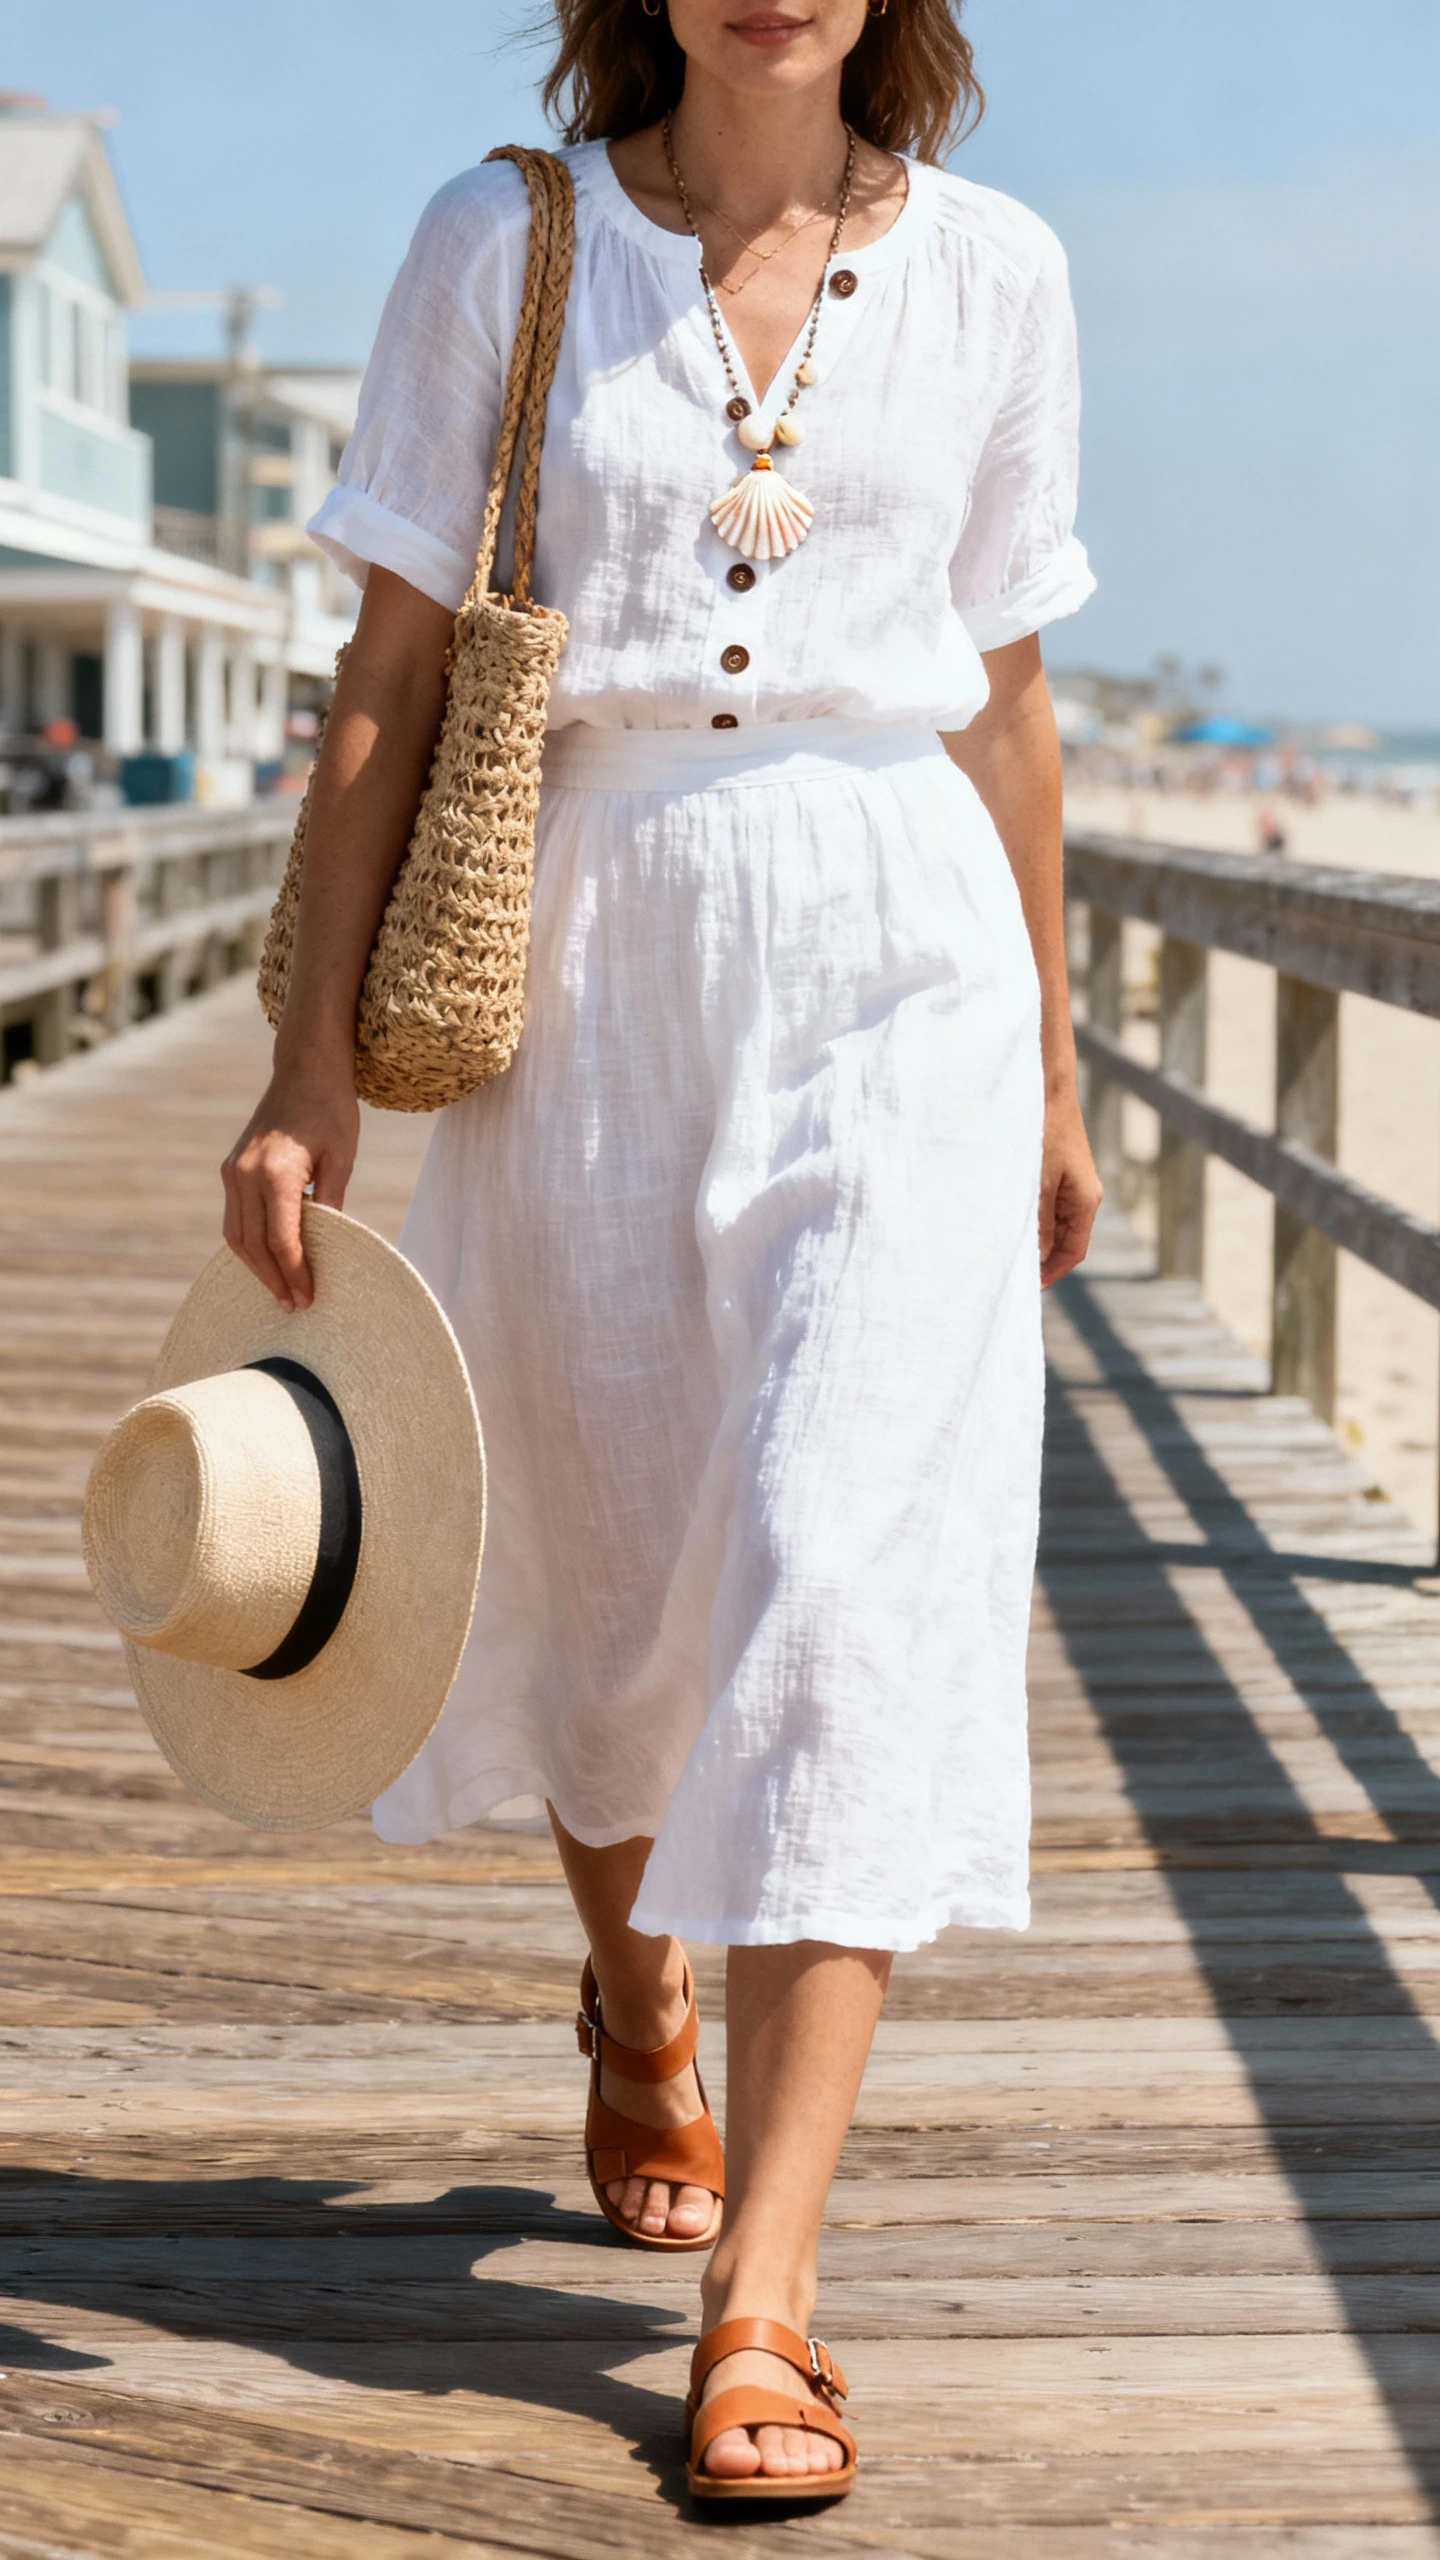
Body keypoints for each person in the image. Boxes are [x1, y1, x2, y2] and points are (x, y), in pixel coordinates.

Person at [222, 0, 1101, 2503]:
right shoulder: (500, 243)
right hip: (582, 948)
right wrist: (304, 1072)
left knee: (846, 1567)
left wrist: (1045, 1067)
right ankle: (637, 1997)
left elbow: (1011, 700)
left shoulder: (1004, 275)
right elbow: (385, 680)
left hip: (896, 959)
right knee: (610, 1585)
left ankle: (771, 2299)